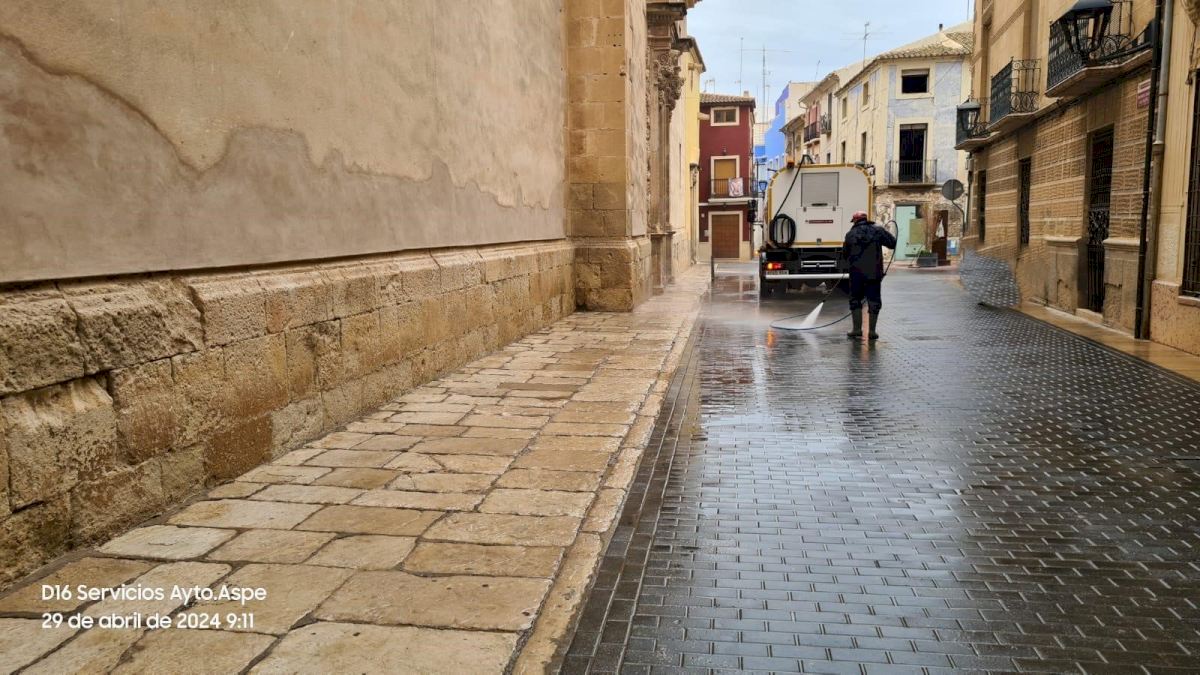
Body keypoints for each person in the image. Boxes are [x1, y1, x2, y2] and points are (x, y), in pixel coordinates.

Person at [841, 211, 897, 341]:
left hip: (856, 274)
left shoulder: (850, 234)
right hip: (874, 273)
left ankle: (857, 330)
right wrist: (885, 232)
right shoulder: (878, 230)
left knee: (855, 299)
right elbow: (892, 243)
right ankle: (872, 331)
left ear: (855, 221)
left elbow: (845, 254)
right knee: (874, 300)